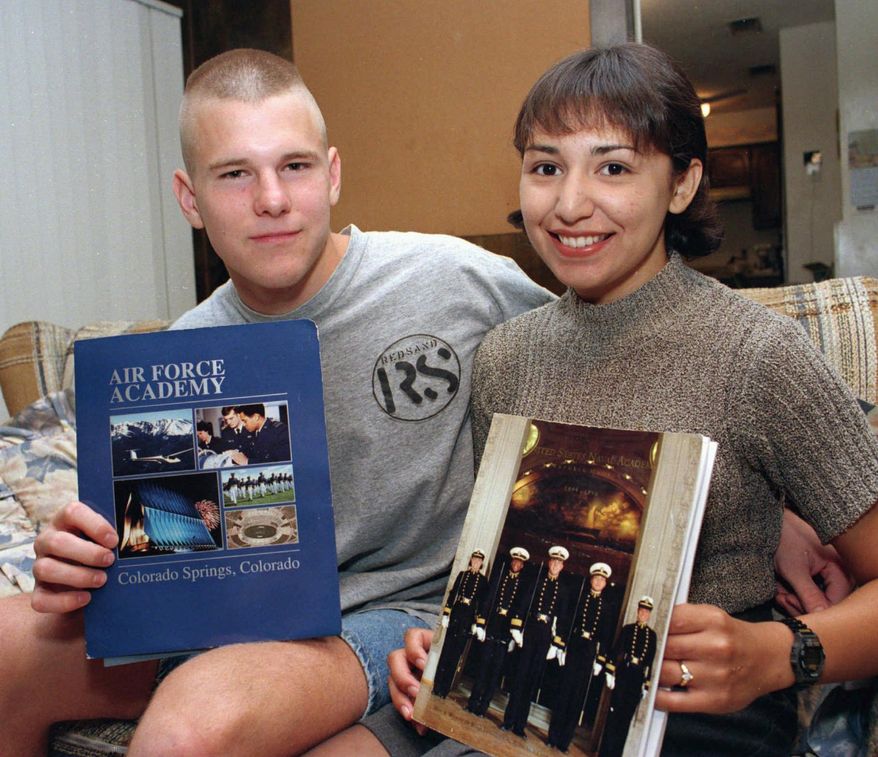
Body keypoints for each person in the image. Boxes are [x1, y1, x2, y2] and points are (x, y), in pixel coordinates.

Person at [0, 48, 554, 757]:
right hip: (233, 610)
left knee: (190, 726)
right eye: (235, 174)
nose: (272, 198)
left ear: (332, 174)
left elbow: (586, 354)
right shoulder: (182, 349)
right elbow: (174, 536)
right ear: (189, 198)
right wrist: (91, 558)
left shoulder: (457, 281)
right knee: (13, 644)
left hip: (398, 613)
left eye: (293, 166)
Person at [384, 43, 878, 757]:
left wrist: (777, 652)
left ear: (681, 184)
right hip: (533, 701)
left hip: (700, 715)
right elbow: (501, 572)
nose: (569, 202)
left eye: (613, 167)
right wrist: (452, 651)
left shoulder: (758, 355)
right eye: (546, 166)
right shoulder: (504, 360)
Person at [501, 545, 571, 738]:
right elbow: (523, 606)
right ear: (549, 562)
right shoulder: (536, 583)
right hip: (530, 633)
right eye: (553, 561)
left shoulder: (563, 591)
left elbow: (563, 619)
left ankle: (519, 726)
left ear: (562, 566)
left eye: (559, 563)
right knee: (519, 677)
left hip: (545, 637)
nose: (555, 565)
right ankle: (508, 721)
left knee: (531, 683)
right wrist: (516, 629)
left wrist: (556, 645)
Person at [546, 561, 615, 750]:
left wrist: (600, 660)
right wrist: (561, 645)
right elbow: (567, 622)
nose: (599, 582)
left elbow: (606, 637)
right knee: (563, 692)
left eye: (602, 580)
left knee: (577, 698)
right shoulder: (580, 599)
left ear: (605, 583)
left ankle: (564, 742)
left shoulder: (607, 607)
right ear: (591, 579)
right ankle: (552, 736)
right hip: (574, 647)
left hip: (589, 652)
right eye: (596, 578)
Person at [466, 546, 529, 717]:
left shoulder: (523, 585)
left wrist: (513, 635)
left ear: (522, 566)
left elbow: (521, 609)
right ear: (512, 561)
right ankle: (472, 702)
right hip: (492, 627)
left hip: (505, 633)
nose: (516, 564)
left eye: (520, 562)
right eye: (515, 560)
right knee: (483, 667)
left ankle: (482, 707)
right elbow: (488, 601)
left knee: (494, 673)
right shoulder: (500, 578)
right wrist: (481, 623)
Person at [598, 596, 657, 757]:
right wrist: (610, 672)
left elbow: (649, 663)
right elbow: (616, 650)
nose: (643, 614)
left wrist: (646, 684)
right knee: (613, 715)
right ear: (637, 611)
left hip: (636, 679)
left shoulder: (652, 636)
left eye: (647, 612)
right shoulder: (628, 629)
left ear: (649, 614)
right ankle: (604, 754)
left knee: (625, 719)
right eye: (641, 611)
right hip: (624, 673)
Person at [431, 549, 488, 698]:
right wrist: (446, 614)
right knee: (446, 652)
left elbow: (482, 603)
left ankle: (444, 690)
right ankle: (437, 686)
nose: (476, 562)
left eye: (479, 561)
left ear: (482, 563)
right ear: (471, 560)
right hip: (456, 613)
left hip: (468, 618)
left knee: (456, 655)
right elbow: (453, 592)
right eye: (474, 559)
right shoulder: (462, 575)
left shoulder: (483, 581)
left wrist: (478, 622)